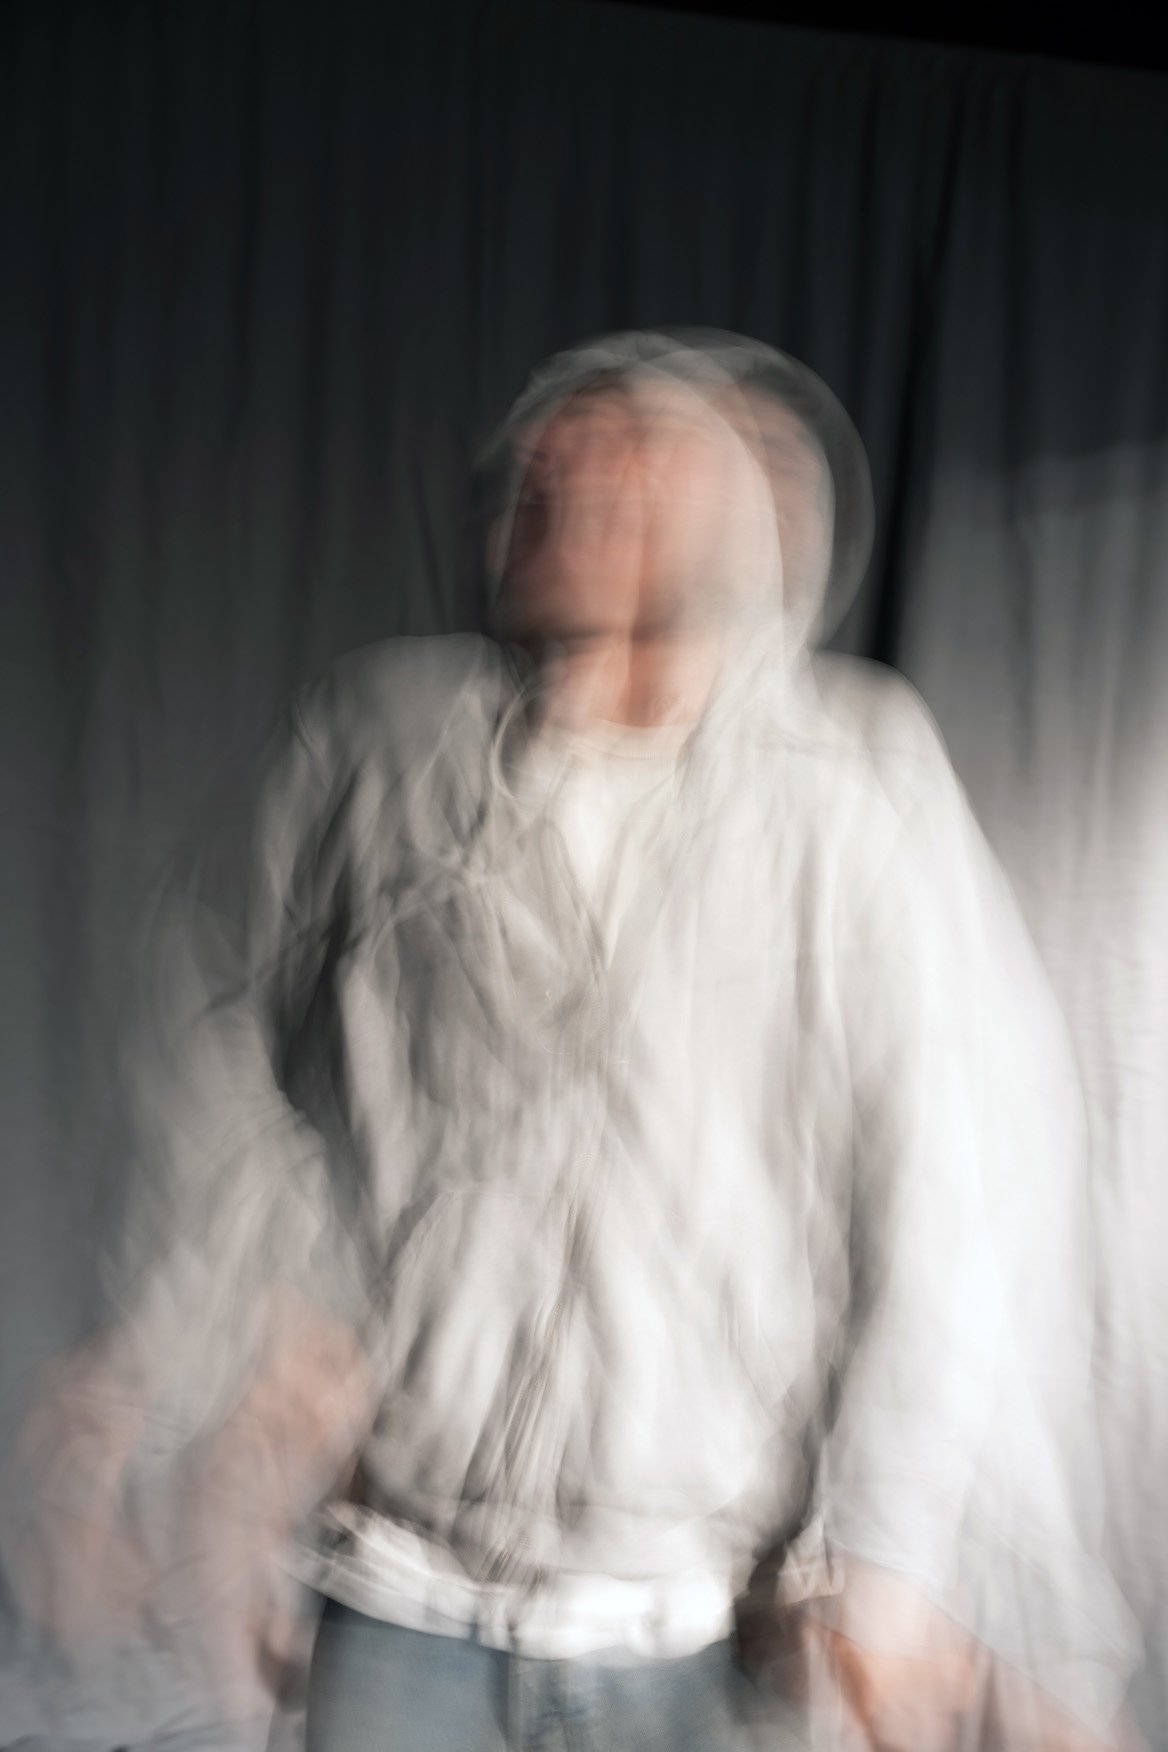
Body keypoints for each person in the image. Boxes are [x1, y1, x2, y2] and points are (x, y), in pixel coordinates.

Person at [2, 331, 1139, 1751]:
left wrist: (888, 1551)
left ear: (745, 515)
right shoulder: (386, 741)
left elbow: (946, 1191)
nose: (568, 476)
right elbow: (200, 1013)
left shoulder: (849, 786)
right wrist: (251, 1310)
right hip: (404, 1597)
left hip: (704, 1619)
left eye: (631, 453)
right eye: (547, 459)